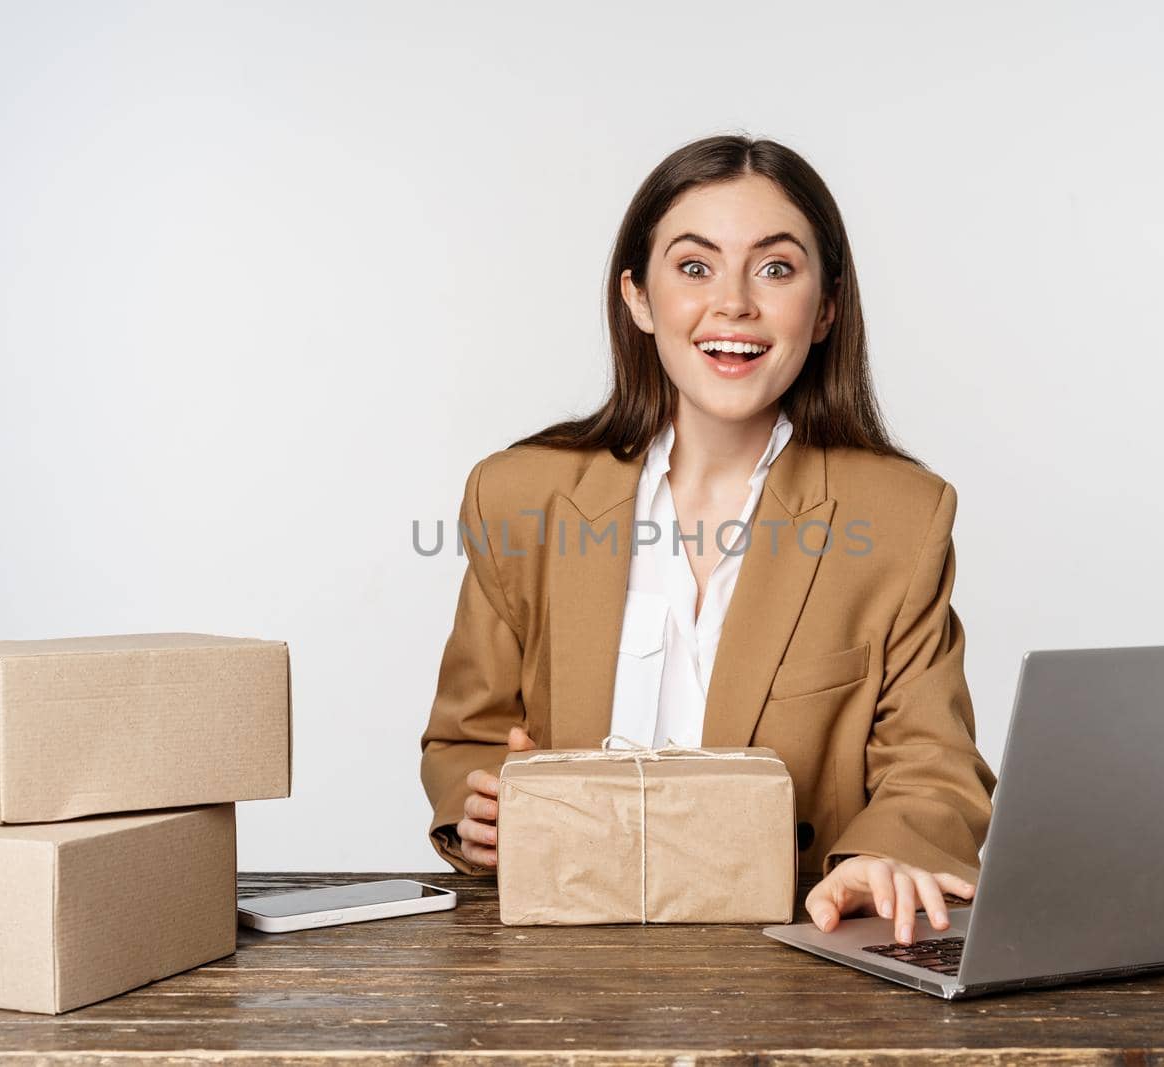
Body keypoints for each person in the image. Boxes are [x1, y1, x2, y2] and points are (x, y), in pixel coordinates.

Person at [418, 134, 997, 946]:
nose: (734, 304)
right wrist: (473, 804)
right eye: (695, 267)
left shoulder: (900, 516)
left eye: (775, 268)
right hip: (564, 953)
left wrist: (883, 854)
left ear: (825, 306)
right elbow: (466, 735)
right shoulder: (520, 496)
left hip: (791, 958)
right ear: (639, 298)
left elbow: (933, 763)